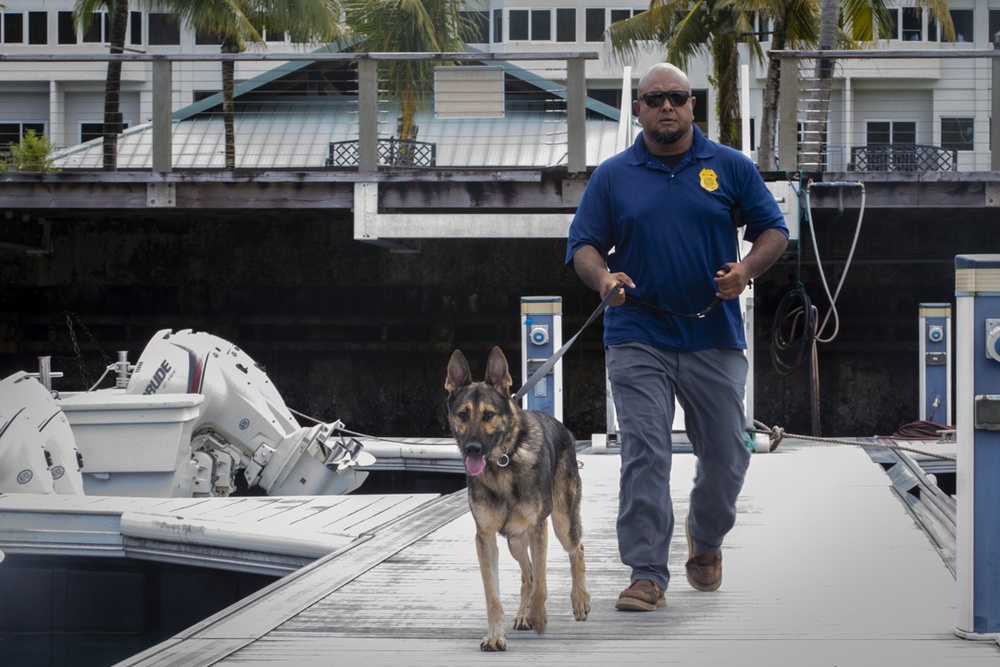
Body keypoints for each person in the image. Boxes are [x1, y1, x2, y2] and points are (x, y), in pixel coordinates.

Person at [565, 63, 789, 611]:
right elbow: (583, 246)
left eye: (678, 97)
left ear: (693, 106)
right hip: (637, 331)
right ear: (639, 110)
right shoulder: (613, 175)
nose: (667, 106)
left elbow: (774, 230)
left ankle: (706, 538)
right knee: (644, 449)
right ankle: (646, 572)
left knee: (727, 452)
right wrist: (603, 279)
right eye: (655, 98)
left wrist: (746, 271)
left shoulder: (729, 166)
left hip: (713, 331)